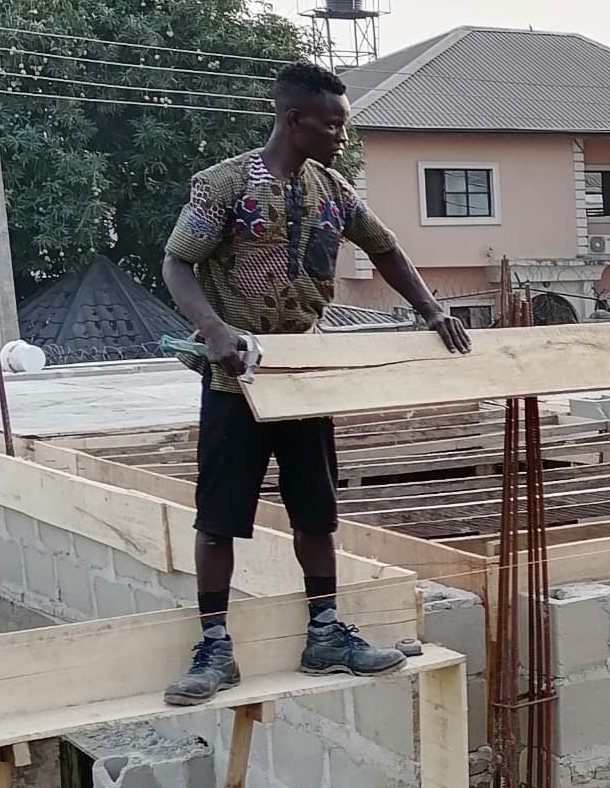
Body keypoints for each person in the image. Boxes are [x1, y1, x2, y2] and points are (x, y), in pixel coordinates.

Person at [159, 59, 473, 706]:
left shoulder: (332, 191)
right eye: (332, 125)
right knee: (219, 520)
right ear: (293, 118)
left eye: (343, 124)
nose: (340, 136)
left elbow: (384, 248)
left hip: (305, 376)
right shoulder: (224, 186)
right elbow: (177, 264)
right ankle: (214, 646)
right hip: (239, 382)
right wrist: (214, 330)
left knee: (316, 514)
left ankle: (325, 634)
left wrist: (431, 310)